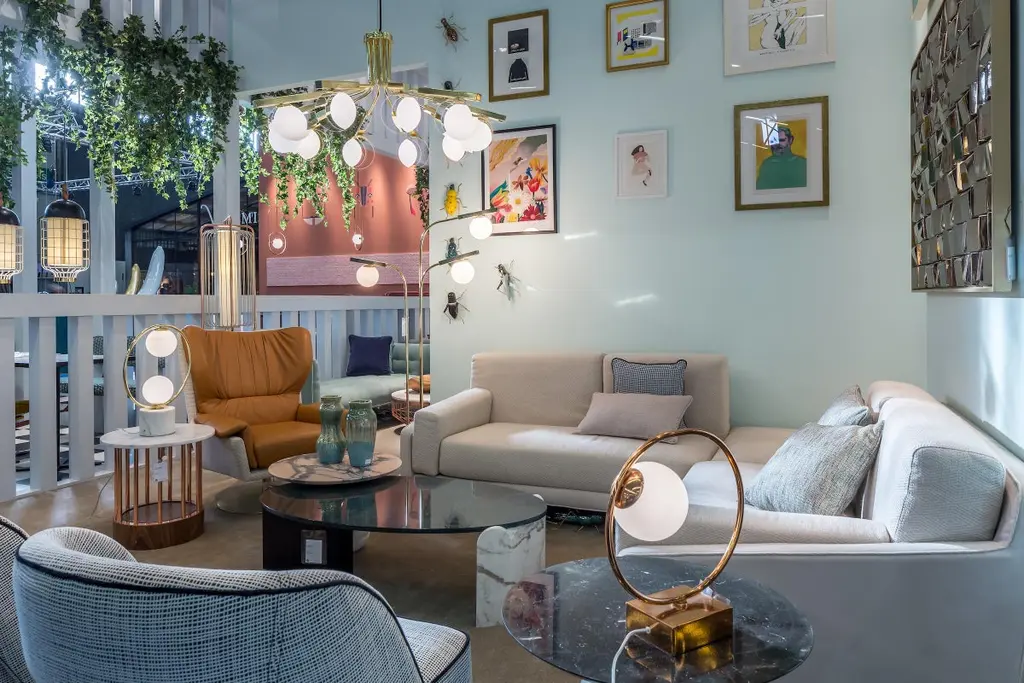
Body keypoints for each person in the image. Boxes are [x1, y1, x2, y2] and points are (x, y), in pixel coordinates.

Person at [756, 124, 807, 190]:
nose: (777, 144)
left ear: (790, 140)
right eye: (774, 141)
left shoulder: (802, 163)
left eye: (781, 140)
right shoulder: (767, 165)